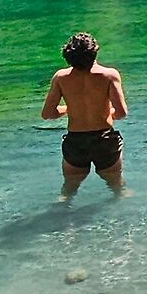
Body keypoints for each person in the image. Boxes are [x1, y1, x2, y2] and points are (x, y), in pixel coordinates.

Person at [43, 31, 127, 198]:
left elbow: (48, 114)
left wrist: (69, 109)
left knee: (68, 191)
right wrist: (106, 113)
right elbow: (121, 113)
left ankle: (60, 216)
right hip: (104, 140)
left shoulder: (60, 78)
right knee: (118, 188)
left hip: (75, 142)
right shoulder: (109, 75)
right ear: (94, 52)